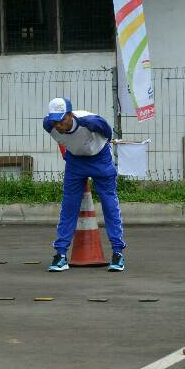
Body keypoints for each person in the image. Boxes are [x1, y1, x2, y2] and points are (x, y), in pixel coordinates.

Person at [42, 97, 126, 272]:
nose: (58, 125)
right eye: (54, 120)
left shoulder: (91, 122)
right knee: (69, 207)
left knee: (109, 204)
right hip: (75, 162)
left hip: (99, 159)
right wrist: (68, 154)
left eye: (62, 119)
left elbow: (108, 134)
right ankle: (61, 255)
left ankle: (117, 253)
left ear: (70, 115)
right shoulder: (48, 125)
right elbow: (62, 141)